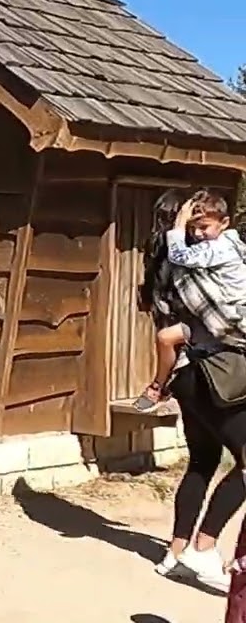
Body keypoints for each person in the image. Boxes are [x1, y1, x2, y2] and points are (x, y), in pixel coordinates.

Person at [139, 189, 246, 594]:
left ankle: (176, 553)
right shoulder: (190, 263)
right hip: (218, 370)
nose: (201, 234)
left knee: (201, 461)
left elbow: (168, 329)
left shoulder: (162, 265)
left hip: (188, 374)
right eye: (193, 224)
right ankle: (205, 547)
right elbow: (223, 323)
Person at [137, 190, 246, 410]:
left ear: (224, 222)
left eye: (203, 227)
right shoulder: (225, 242)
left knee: (166, 338)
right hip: (216, 316)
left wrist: (178, 227)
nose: (196, 233)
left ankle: (159, 386)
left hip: (231, 316)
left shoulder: (219, 248)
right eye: (192, 228)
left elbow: (179, 256)